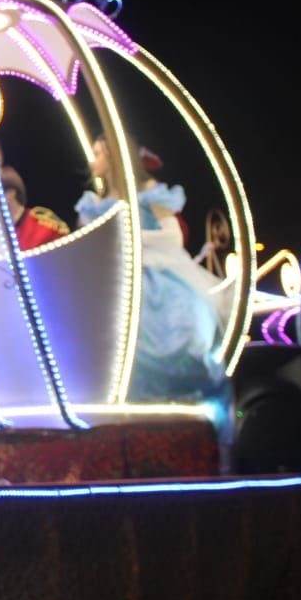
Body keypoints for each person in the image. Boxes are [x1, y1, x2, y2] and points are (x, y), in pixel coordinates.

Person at [75, 135, 228, 406]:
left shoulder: (148, 191)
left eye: (98, 153)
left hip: (155, 280)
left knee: (169, 336)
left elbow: (172, 237)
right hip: (109, 284)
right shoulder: (93, 204)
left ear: (114, 155)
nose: (92, 160)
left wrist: (125, 239)